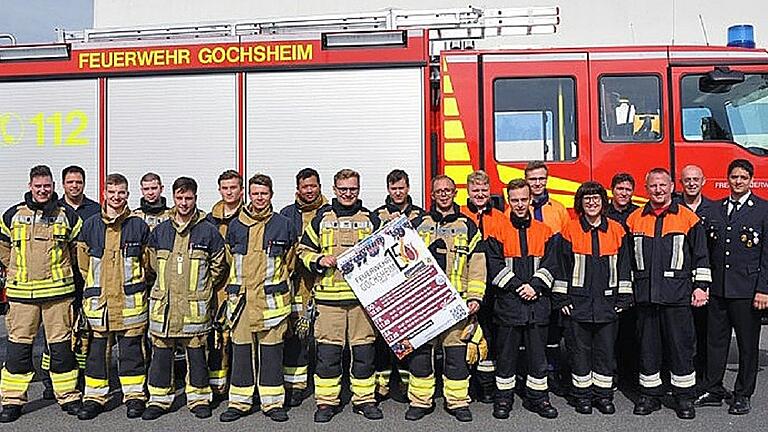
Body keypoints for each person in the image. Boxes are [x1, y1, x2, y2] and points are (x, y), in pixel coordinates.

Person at [298, 169, 383, 423]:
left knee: (364, 353)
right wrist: (319, 259)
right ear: (334, 190)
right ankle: (326, 403)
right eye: (343, 189)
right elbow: (302, 250)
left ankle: (365, 399)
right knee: (328, 355)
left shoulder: (372, 220)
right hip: (328, 301)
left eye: (353, 189)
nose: (348, 194)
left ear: (358, 189)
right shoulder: (321, 219)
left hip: (362, 303)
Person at [625, 168, 711, 419]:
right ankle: (649, 395)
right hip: (645, 297)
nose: (658, 190)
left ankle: (684, 397)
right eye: (653, 186)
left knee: (681, 347)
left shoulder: (687, 218)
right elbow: (627, 260)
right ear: (646, 188)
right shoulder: (634, 219)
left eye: (663, 185)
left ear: (672, 187)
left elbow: (701, 256)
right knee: (648, 348)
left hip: (677, 295)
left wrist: (701, 287)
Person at [0, 165, 83, 423]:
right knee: (18, 350)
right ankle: (12, 400)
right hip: (22, 296)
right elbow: (3, 248)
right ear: (30, 186)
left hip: (58, 296)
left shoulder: (66, 215)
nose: (43, 190)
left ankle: (68, 396)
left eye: (47, 186)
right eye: (38, 186)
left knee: (61, 349)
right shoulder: (12, 215)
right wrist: (14, 269)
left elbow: (78, 252)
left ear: (53, 187)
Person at [142, 177, 229, 421]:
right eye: (179, 198)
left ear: (195, 198)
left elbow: (218, 265)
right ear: (173, 198)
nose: (184, 203)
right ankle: (159, 399)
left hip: (193, 307)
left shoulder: (207, 230)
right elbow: (149, 265)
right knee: (161, 355)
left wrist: (201, 287)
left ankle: (199, 398)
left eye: (188, 198)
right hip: (165, 307)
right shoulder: (160, 231)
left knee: (197, 355)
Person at [405, 175, 485, 422]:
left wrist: (475, 297)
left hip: (457, 304)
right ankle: (420, 402)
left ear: (454, 193)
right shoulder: (416, 223)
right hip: (423, 303)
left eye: (448, 190)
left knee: (456, 356)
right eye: (438, 191)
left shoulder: (468, 225)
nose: (443, 194)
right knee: (420, 356)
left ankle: (457, 402)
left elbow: (477, 265)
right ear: (431, 194)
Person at [219, 174, 295, 423]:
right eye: (255, 193)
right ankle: (239, 402)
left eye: (263, 193)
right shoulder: (235, 225)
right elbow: (229, 262)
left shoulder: (283, 224)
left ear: (271, 194)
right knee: (241, 353)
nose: (259, 198)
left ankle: (272, 403)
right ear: (248, 195)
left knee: (272, 354)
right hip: (241, 302)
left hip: (272, 304)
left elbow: (290, 263)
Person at [552, 181, 632, 415]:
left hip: (608, 305)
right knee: (579, 353)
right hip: (578, 304)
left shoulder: (617, 229)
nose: (592, 202)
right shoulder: (570, 229)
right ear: (580, 203)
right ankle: (582, 397)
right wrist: (562, 299)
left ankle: (603, 397)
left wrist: (623, 299)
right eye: (587, 199)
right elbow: (562, 267)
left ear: (603, 202)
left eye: (596, 198)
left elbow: (625, 266)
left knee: (605, 354)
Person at [695, 159, 768, 415]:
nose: (738, 181)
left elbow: (766, 254)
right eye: (734, 177)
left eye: (743, 177)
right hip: (718, 290)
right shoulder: (715, 209)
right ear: (728, 179)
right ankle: (713, 388)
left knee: (748, 345)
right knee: (715, 343)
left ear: (751, 180)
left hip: (748, 291)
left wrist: (764, 289)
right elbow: (706, 250)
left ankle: (742, 394)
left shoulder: (762, 209)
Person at [75, 173, 150, 420]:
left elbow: (147, 265)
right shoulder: (91, 225)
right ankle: (95, 397)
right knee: (96, 354)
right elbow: (84, 264)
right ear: (104, 194)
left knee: (131, 354)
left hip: (130, 304)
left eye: (121, 193)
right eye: (112, 192)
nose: (117, 197)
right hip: (100, 304)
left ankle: (135, 397)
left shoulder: (139, 226)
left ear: (128, 195)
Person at [485, 178, 559, 420]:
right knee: (505, 357)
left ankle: (538, 398)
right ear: (508, 200)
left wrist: (535, 286)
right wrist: (520, 287)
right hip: (509, 305)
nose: (519, 204)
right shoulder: (497, 230)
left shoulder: (545, 231)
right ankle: (503, 399)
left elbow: (552, 264)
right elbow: (494, 267)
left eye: (523, 199)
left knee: (538, 357)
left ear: (530, 199)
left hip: (537, 304)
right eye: (514, 200)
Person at [373, 169, 424, 402]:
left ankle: (405, 384)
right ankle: (381, 385)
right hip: (385, 286)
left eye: (401, 188)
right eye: (393, 188)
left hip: (411, 287)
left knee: (408, 339)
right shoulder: (377, 216)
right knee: (383, 340)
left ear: (408, 188)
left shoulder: (422, 217)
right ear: (388, 190)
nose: (398, 192)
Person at [280, 167, 328, 407]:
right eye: (305, 186)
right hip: (298, 284)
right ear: (297, 189)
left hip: (327, 282)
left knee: (327, 337)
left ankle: (327, 383)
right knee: (297, 336)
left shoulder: (331, 213)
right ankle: (295, 385)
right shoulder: (286, 214)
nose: (309, 191)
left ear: (320, 186)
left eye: (313, 186)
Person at [460, 170, 506, 404]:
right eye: (475, 190)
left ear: (490, 192)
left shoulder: (500, 217)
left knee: (489, 337)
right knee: (464, 337)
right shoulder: (459, 216)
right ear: (468, 191)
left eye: (484, 190)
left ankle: (487, 386)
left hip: (493, 288)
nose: (479, 194)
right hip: (466, 287)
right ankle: (465, 384)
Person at [525, 161, 569, 394]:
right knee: (530, 329)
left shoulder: (559, 209)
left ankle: (552, 372)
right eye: (533, 179)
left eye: (541, 178)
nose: (538, 183)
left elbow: (565, 246)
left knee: (553, 330)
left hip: (553, 277)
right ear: (526, 181)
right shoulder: (518, 207)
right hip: (527, 278)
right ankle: (530, 372)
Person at [205, 170, 244, 397]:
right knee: (217, 337)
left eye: (233, 187)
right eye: (225, 188)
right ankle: (217, 386)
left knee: (240, 338)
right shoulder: (209, 220)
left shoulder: (249, 217)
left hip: (241, 287)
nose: (229, 192)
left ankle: (240, 385)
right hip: (216, 288)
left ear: (241, 190)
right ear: (219, 190)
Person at [676, 164, 716, 381]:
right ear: (680, 183)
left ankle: (702, 379)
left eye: (695, 179)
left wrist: (705, 285)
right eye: (687, 180)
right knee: (680, 334)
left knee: (704, 332)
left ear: (703, 181)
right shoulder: (673, 207)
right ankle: (680, 376)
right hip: (678, 283)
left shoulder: (715, 209)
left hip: (704, 282)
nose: (691, 183)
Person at [605, 173, 640, 389]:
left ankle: (629, 374)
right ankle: (612, 372)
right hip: (607, 276)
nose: (624, 193)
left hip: (632, 276)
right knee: (610, 331)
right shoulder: (604, 213)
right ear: (613, 190)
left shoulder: (638, 213)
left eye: (628, 190)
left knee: (630, 329)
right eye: (620, 189)